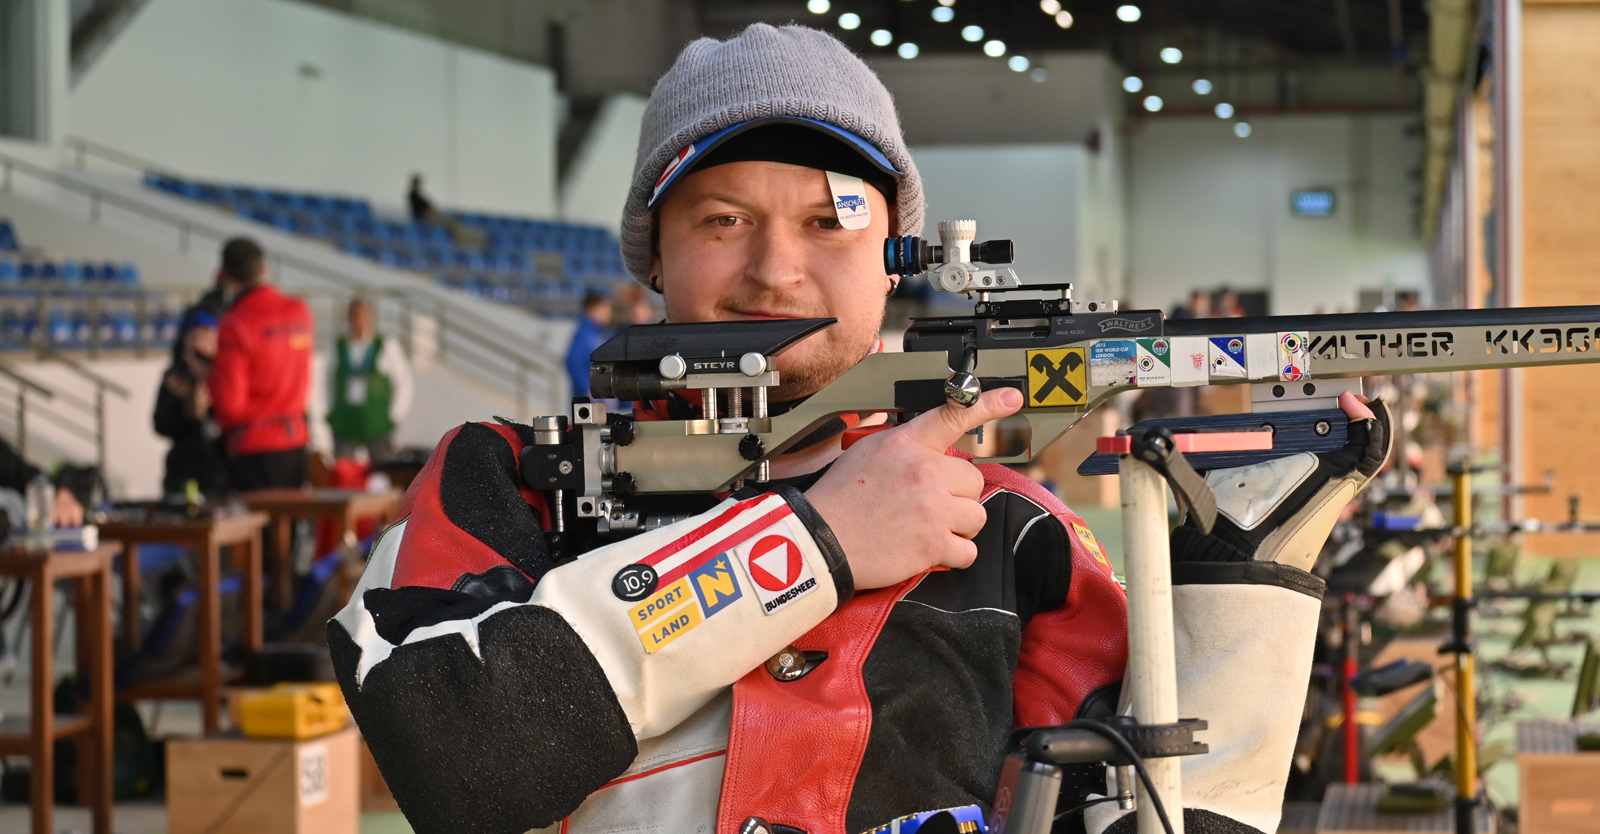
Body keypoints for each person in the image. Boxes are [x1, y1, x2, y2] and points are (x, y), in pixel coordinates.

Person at [331, 25, 1392, 834]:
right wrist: (817, 544)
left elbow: (1145, 815)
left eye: (831, 220)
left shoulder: (1006, 535)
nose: (775, 269)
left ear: (900, 255)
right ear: (652, 256)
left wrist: (1237, 608)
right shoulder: (509, 481)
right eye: (723, 220)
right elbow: (452, 759)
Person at [208, 237, 314, 492]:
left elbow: (230, 405)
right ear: (263, 269)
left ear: (223, 274)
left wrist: (209, 377)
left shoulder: (235, 324)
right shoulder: (300, 312)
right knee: (293, 530)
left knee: (256, 531)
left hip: (253, 452)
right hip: (296, 443)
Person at [153, 310, 229, 498]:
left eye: (208, 335)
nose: (202, 342)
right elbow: (161, 423)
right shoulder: (175, 376)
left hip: (219, 472)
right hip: (182, 470)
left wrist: (211, 405)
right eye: (196, 335)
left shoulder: (225, 375)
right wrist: (187, 411)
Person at [327, 298, 413, 461]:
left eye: (362, 316)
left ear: (370, 317)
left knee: (383, 472)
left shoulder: (386, 346)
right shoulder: (338, 346)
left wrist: (394, 415)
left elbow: (403, 382)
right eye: (354, 316)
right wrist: (330, 410)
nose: (358, 321)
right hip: (345, 422)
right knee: (343, 472)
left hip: (376, 424)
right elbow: (327, 382)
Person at [563, 291, 613, 399]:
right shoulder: (585, 333)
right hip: (588, 400)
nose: (608, 312)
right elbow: (573, 361)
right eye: (604, 307)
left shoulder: (598, 332)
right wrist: (588, 389)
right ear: (592, 308)